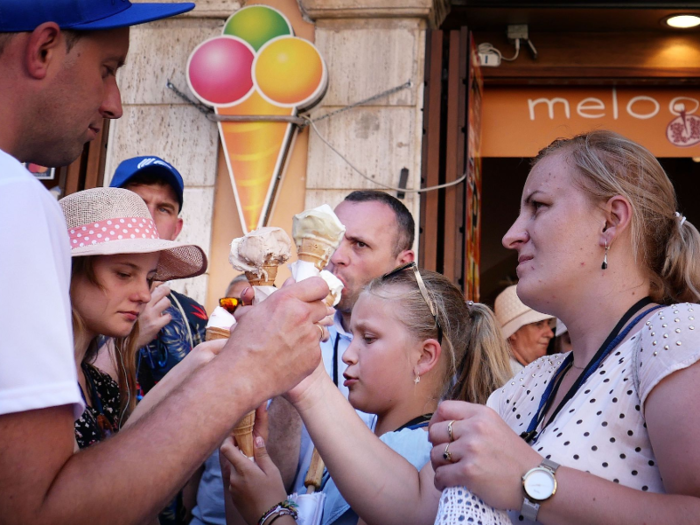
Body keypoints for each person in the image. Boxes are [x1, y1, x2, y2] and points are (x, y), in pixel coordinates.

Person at [0, 3, 330, 523]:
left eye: (147, 274)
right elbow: (39, 510)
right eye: (108, 70)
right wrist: (247, 369)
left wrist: (210, 367)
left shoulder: (182, 327)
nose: (116, 105)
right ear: (42, 49)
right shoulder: (14, 197)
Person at [429, 130, 700, 524]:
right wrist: (310, 385)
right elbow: (414, 503)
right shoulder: (532, 381)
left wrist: (531, 480)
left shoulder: (674, 332)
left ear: (610, 221)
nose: (510, 236)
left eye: (537, 206)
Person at [221, 265, 513, 525]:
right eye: (353, 337)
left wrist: (270, 512)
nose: (348, 355)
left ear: (425, 357)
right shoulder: (359, 439)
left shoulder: (417, 452)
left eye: (369, 339)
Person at [268, 190, 417, 493]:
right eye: (334, 240)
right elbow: (269, 477)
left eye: (359, 245)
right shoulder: (294, 330)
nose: (336, 256)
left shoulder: (424, 349)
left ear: (402, 263)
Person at [62, 186, 207, 449]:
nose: (143, 294)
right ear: (69, 271)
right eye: (124, 274)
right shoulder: (32, 379)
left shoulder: (99, 385)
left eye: (150, 279)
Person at [494, 284, 554, 375]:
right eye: (538, 324)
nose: (550, 334)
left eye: (548, 323)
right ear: (513, 333)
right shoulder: (507, 378)